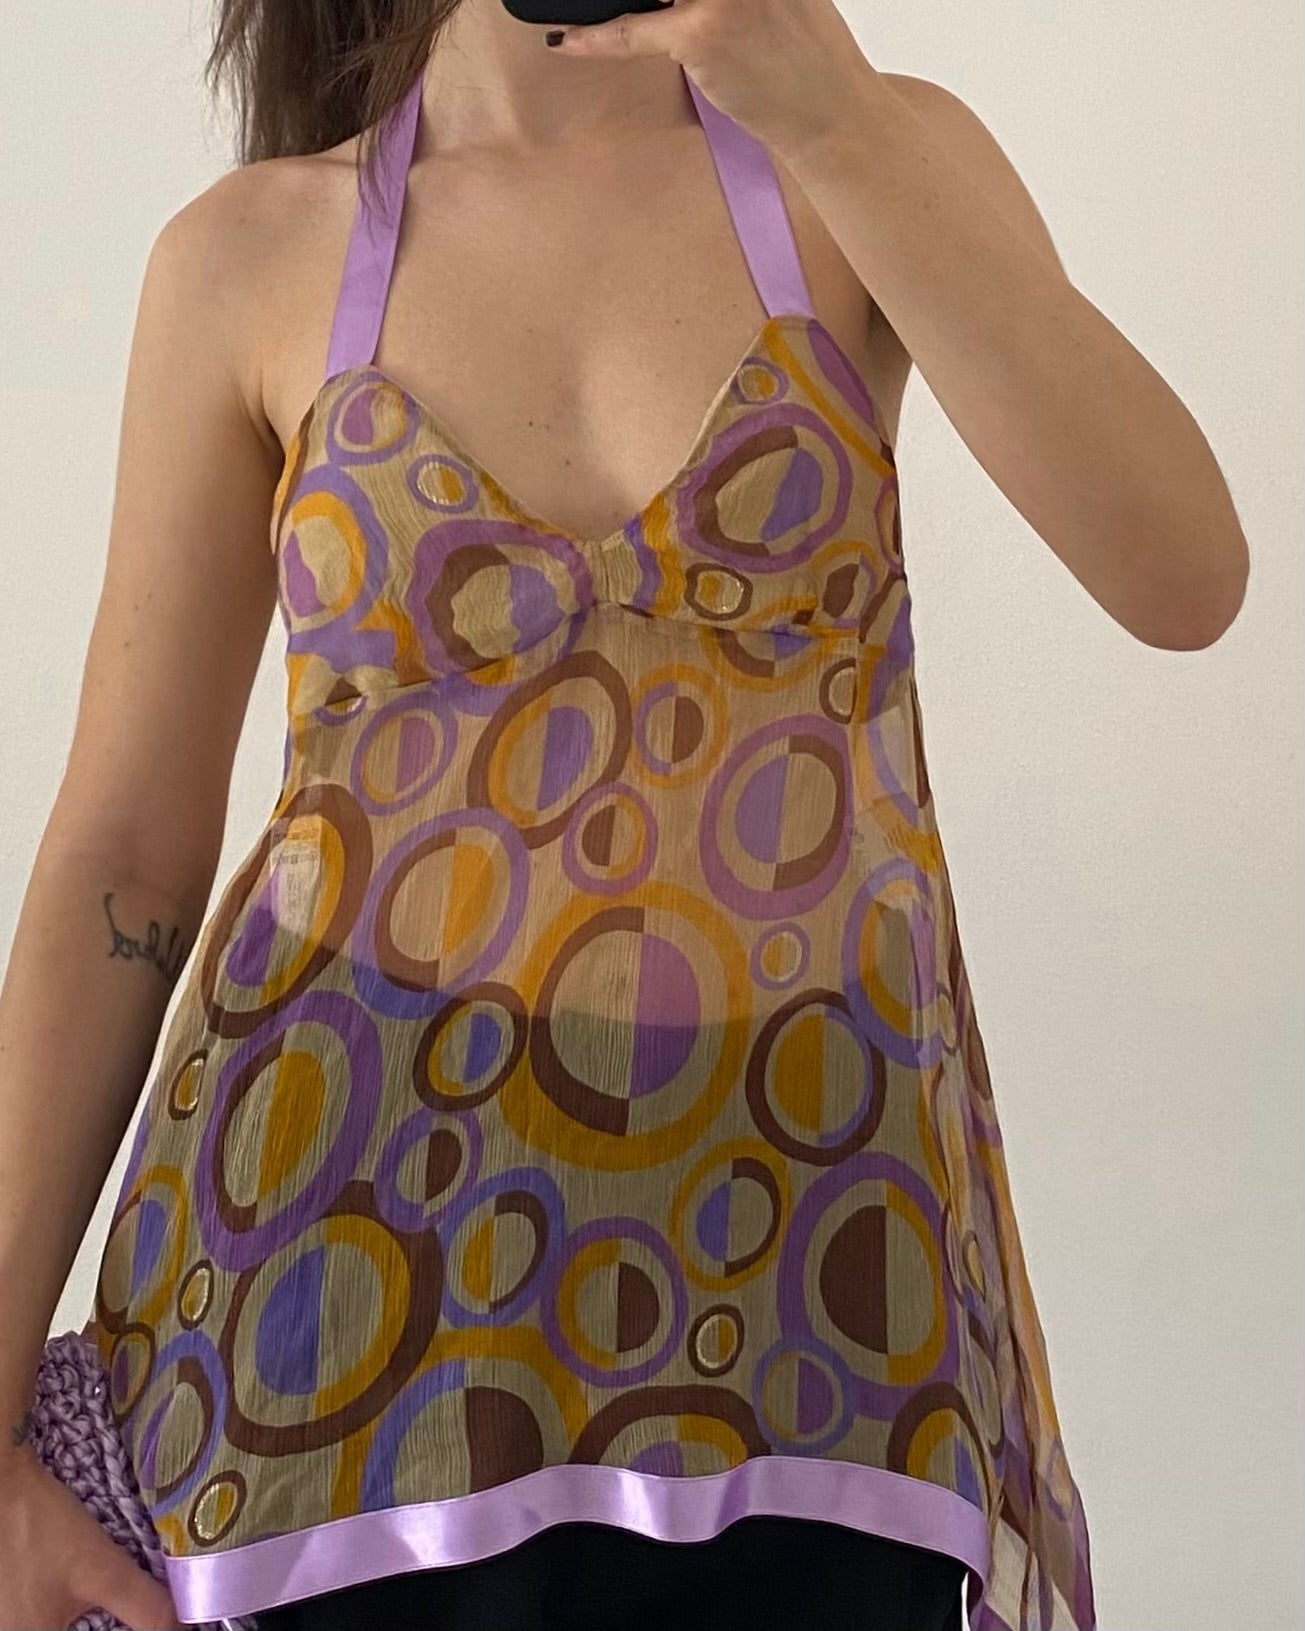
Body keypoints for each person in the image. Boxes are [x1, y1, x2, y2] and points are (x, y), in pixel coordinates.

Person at [0, 0, 1249, 1628]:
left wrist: (834, 118)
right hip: (330, 1321)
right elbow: (127, 856)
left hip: (814, 1296)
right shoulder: (249, 255)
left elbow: (1181, 579)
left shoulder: (861, 154)